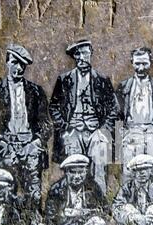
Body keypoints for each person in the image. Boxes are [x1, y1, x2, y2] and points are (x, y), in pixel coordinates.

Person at [0, 44, 52, 211]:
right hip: (4, 146)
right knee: (5, 192)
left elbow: (46, 123)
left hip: (30, 145)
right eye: (14, 63)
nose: (18, 68)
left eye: (22, 65)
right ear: (7, 63)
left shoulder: (36, 91)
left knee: (34, 193)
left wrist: (36, 143)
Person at [49, 39, 119, 193]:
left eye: (84, 53)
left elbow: (114, 108)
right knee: (75, 167)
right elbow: (53, 107)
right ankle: (75, 203)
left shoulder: (102, 79)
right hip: (73, 131)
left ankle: (100, 203)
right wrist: (65, 128)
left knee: (99, 164)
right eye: (77, 54)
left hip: (96, 131)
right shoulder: (65, 79)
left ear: (91, 53)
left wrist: (103, 129)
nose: (81, 57)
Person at [116, 47, 153, 182]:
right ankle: (128, 201)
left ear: (150, 63)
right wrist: (122, 133)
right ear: (132, 63)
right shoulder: (124, 86)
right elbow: (116, 113)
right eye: (137, 64)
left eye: (144, 63)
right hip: (131, 131)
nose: (141, 68)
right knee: (129, 170)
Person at [37, 154, 108, 225]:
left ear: (86, 172)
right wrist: (70, 219)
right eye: (73, 172)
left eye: (80, 172)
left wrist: (86, 216)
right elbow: (50, 219)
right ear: (66, 173)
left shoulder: (93, 187)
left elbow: (105, 211)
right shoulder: (56, 189)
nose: (77, 176)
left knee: (99, 223)